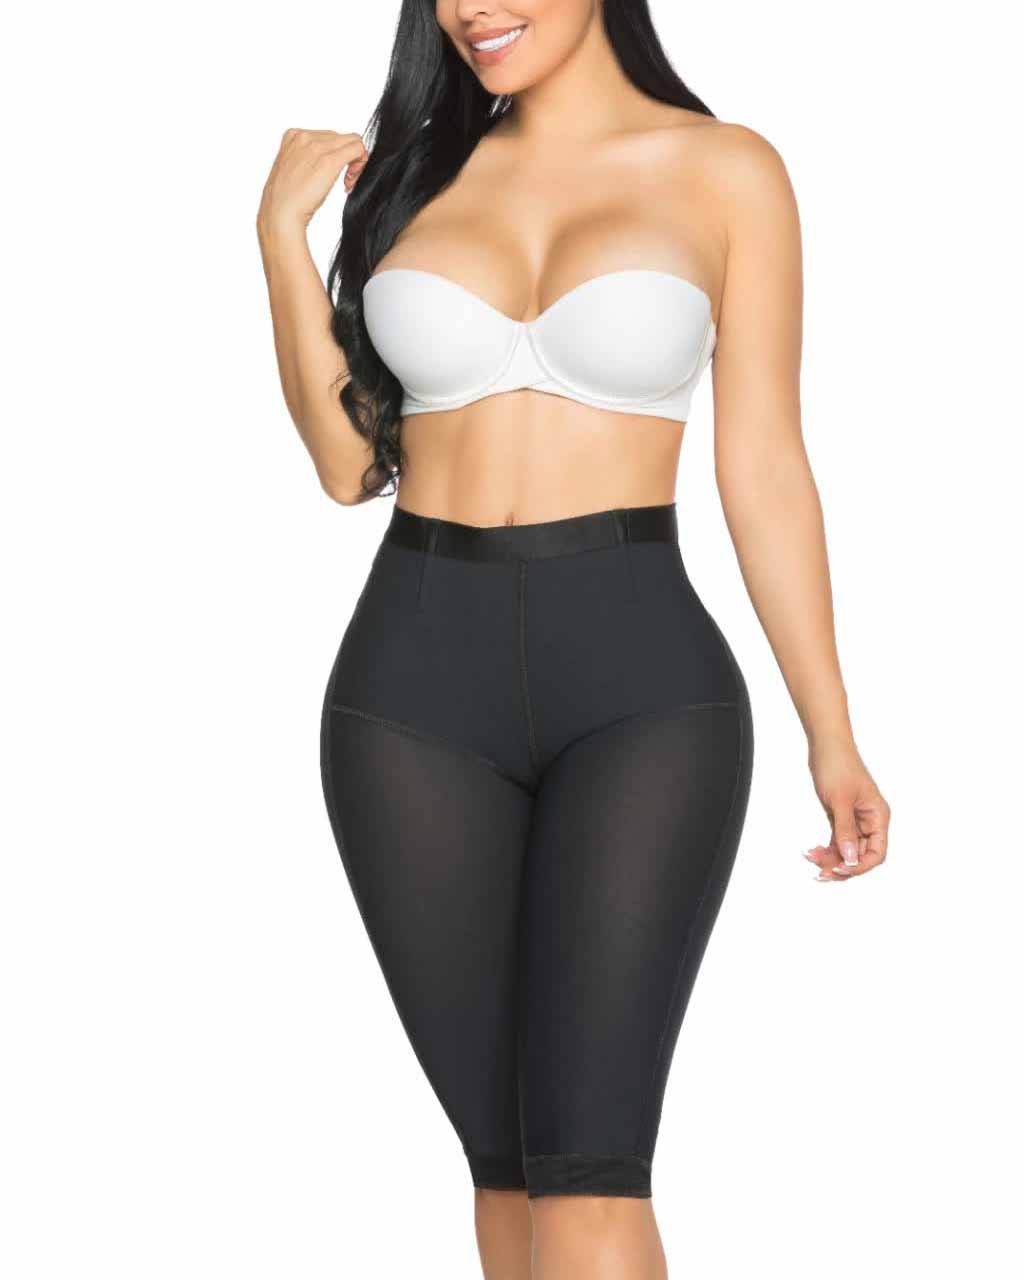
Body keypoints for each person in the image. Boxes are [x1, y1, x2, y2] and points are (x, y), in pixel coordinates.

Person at [256, 3, 891, 1276]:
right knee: (505, 1170)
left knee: (591, 1172)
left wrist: (833, 732)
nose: (471, 8)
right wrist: (280, 242)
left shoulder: (727, 170)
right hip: (408, 696)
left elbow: (764, 462)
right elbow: (344, 467)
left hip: (642, 689)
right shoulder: (416, 171)